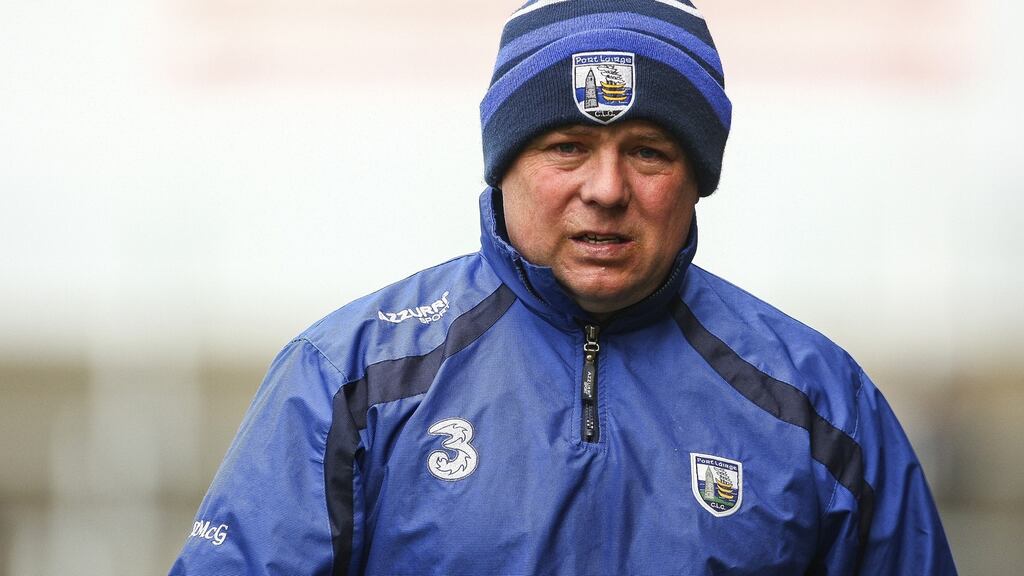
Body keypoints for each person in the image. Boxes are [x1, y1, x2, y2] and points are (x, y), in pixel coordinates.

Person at [170, 1, 957, 574]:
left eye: (648, 151)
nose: (606, 189)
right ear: (504, 163)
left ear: (698, 177)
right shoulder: (347, 380)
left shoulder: (821, 405)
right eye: (567, 146)